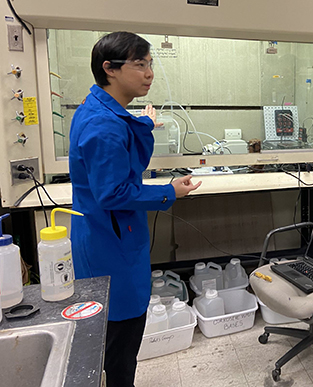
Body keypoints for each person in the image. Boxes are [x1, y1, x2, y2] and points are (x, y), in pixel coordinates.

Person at [69, 32, 201, 387]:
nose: (149, 73)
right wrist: (168, 192)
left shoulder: (100, 109)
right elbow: (113, 193)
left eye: (150, 64)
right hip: (110, 243)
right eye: (140, 64)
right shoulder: (103, 124)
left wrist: (144, 123)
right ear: (109, 69)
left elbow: (122, 152)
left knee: (114, 340)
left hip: (106, 234)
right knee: (120, 344)